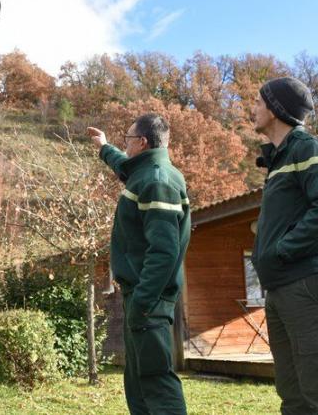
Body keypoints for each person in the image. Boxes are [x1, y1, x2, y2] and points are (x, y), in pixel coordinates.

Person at [251, 77, 318, 414]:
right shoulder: (278, 160)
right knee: (293, 396)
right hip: (282, 288)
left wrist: (282, 250)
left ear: (276, 109)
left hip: (308, 284)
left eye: (258, 102)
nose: (253, 108)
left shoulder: (308, 147)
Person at [88, 114, 190, 415]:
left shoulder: (158, 180)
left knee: (156, 383)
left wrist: (144, 301)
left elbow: (165, 251)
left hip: (149, 300)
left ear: (142, 142)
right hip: (143, 297)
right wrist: (105, 147)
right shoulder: (146, 173)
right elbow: (125, 167)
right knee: (138, 384)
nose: (125, 143)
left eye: (128, 139)